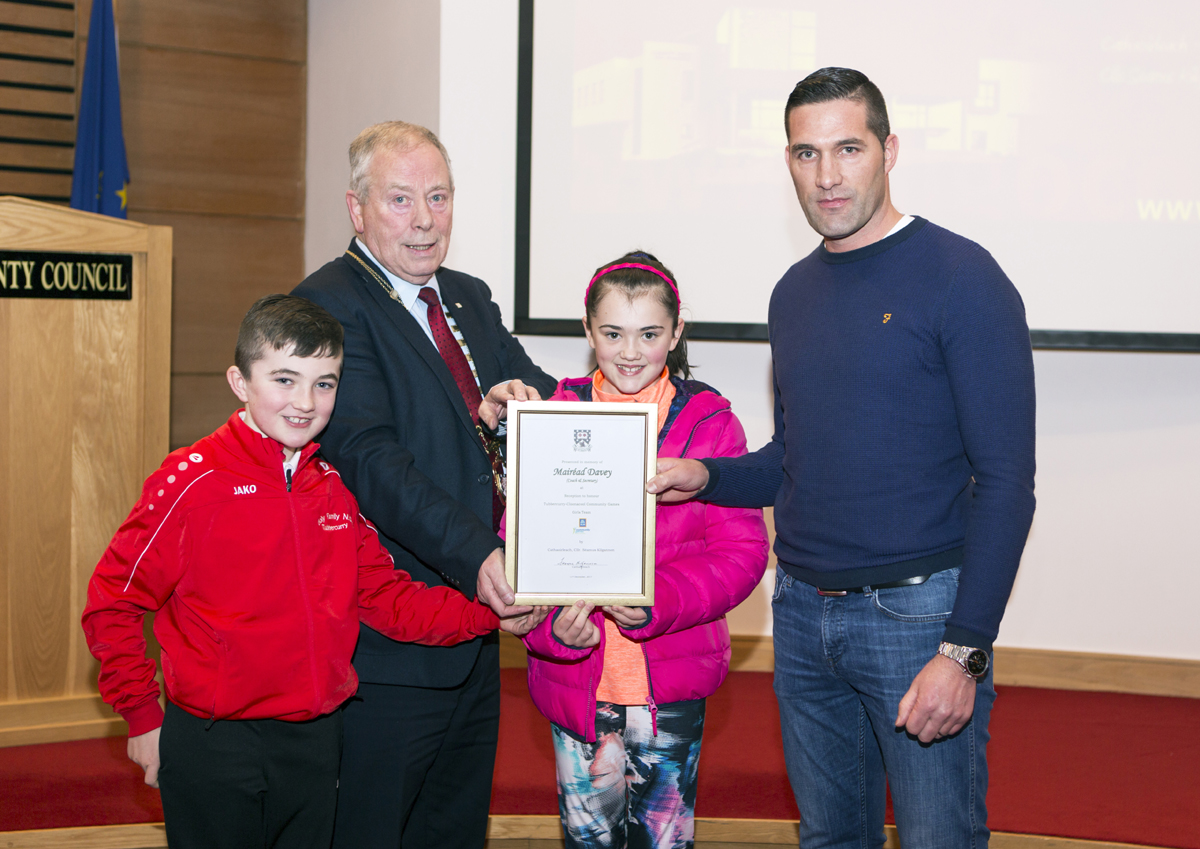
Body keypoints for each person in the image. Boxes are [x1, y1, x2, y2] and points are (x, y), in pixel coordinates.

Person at [647, 68, 1037, 847]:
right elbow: (795, 456)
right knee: (829, 838)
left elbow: (1006, 483)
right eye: (805, 153)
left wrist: (964, 651)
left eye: (848, 148)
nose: (826, 175)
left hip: (919, 618)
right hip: (798, 614)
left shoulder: (964, 277)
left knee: (939, 840)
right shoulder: (792, 293)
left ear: (889, 149)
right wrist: (709, 477)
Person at [81, 295, 542, 849]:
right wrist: (140, 717)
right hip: (214, 741)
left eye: (324, 383)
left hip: (318, 738)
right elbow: (112, 603)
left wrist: (489, 612)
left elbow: (388, 598)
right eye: (284, 379)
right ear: (239, 381)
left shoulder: (331, 489)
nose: (304, 402)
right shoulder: (191, 481)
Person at [291, 121, 557, 849]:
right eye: (401, 200)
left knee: (452, 826)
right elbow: (373, 461)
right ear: (357, 209)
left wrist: (518, 402)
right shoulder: (328, 306)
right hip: (389, 643)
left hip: (478, 632)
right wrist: (481, 556)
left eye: (437, 198)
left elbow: (535, 389)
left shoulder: (467, 296)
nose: (424, 220)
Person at [513, 252, 769, 849]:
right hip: (575, 680)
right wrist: (551, 631)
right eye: (613, 334)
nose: (631, 351)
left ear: (676, 333)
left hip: (670, 685)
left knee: (663, 841)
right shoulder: (553, 418)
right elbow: (521, 553)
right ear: (587, 332)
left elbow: (741, 555)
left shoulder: (711, 426)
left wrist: (658, 599)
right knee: (587, 840)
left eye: (650, 334)